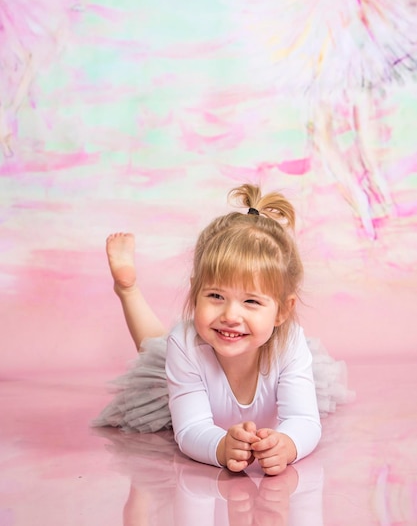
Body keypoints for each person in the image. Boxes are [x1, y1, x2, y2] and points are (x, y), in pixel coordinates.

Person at [94, 183, 351, 475]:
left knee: (163, 346)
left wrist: (287, 443)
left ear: (282, 311)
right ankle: (128, 290)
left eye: (251, 301)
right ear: (195, 293)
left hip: (272, 352)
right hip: (182, 375)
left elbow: (304, 420)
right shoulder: (185, 345)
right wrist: (221, 446)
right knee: (155, 349)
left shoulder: (290, 343)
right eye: (216, 296)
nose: (230, 315)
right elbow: (191, 428)